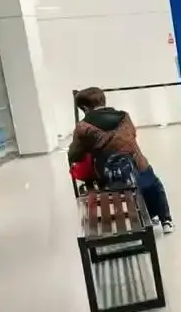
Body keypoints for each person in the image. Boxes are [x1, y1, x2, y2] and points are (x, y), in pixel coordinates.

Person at [69, 87, 174, 233]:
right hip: (137, 167)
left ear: (85, 108)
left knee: (111, 176)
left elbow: (74, 155)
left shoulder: (82, 127)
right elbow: (132, 135)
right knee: (153, 182)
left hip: (108, 177)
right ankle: (165, 220)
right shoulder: (125, 116)